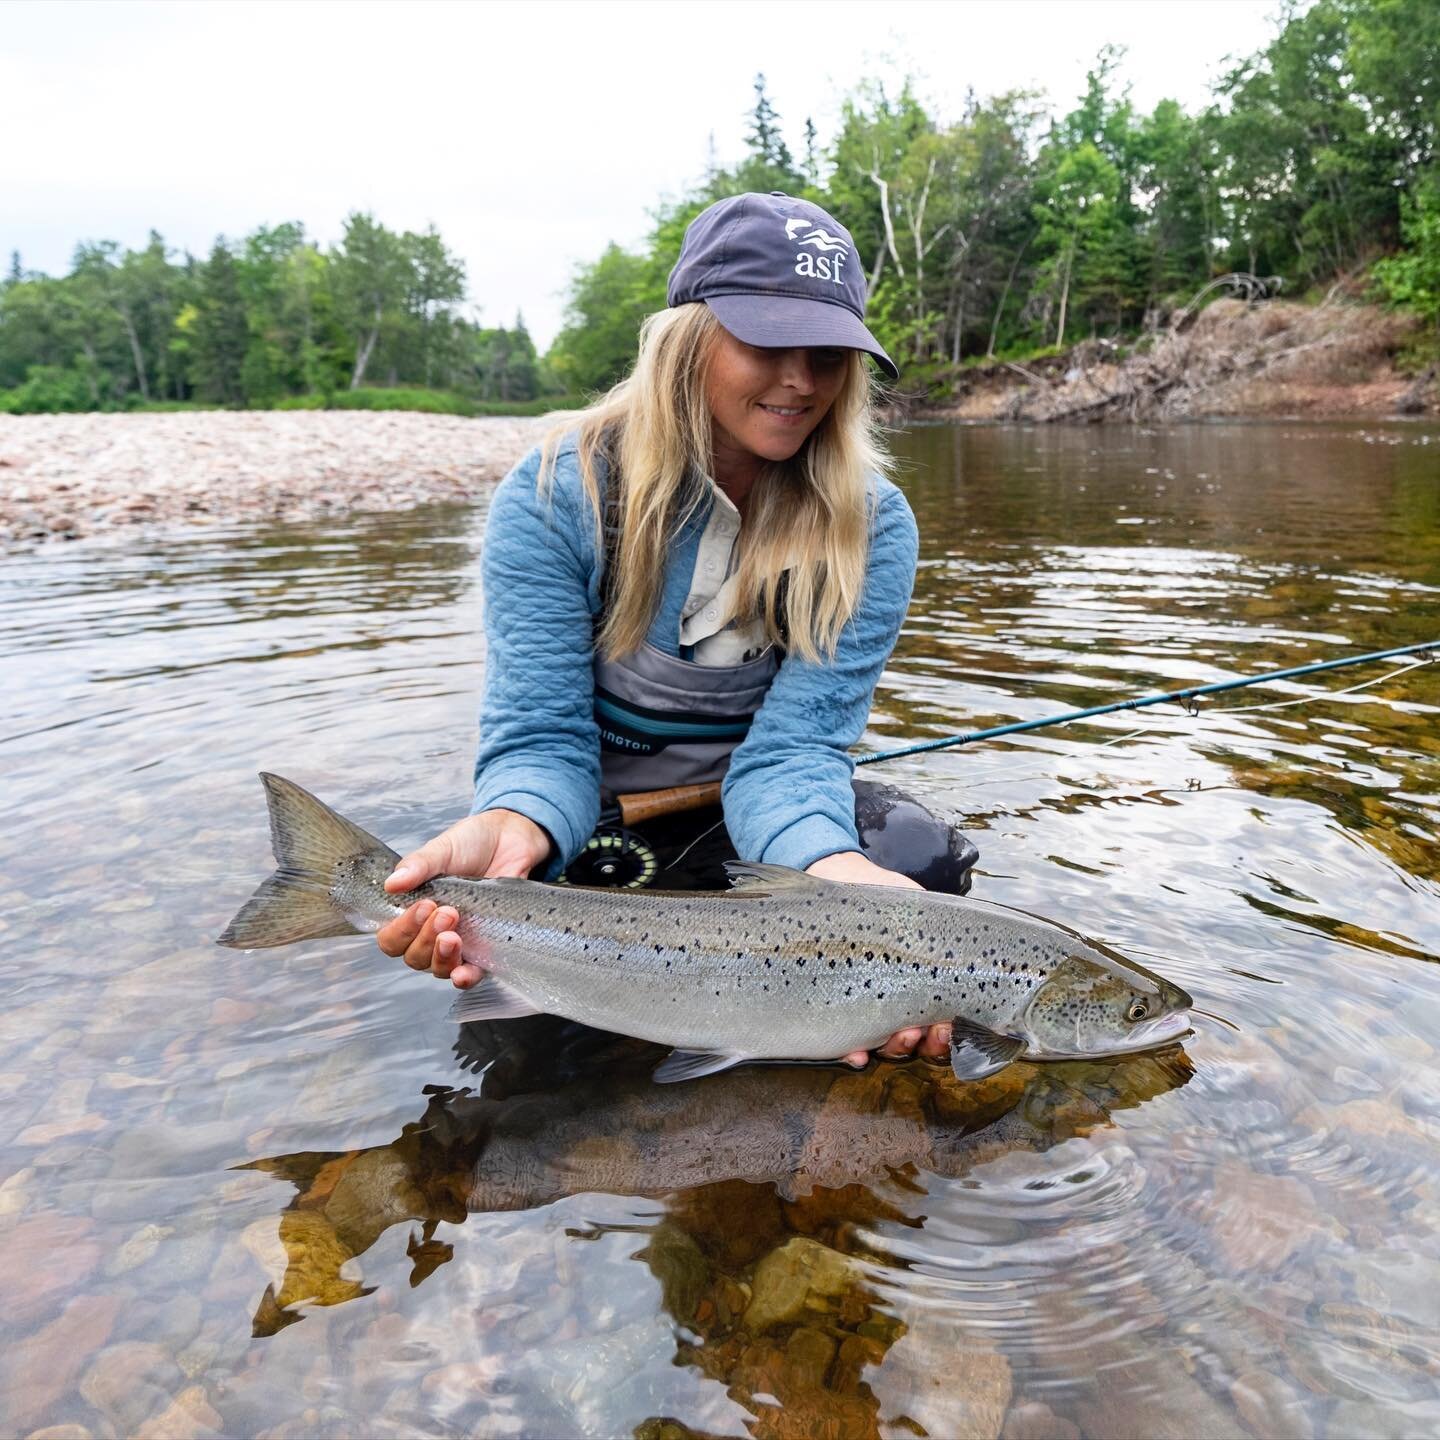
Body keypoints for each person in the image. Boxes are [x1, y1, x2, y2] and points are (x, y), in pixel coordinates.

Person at [376, 191, 976, 1066]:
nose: (802, 380)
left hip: (751, 821)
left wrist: (833, 872)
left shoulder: (871, 525)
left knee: (919, 869)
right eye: (768, 342)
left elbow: (792, 755)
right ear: (687, 337)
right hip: (591, 824)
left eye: (830, 353)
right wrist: (516, 818)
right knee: (532, 1057)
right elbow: (542, 738)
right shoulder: (557, 495)